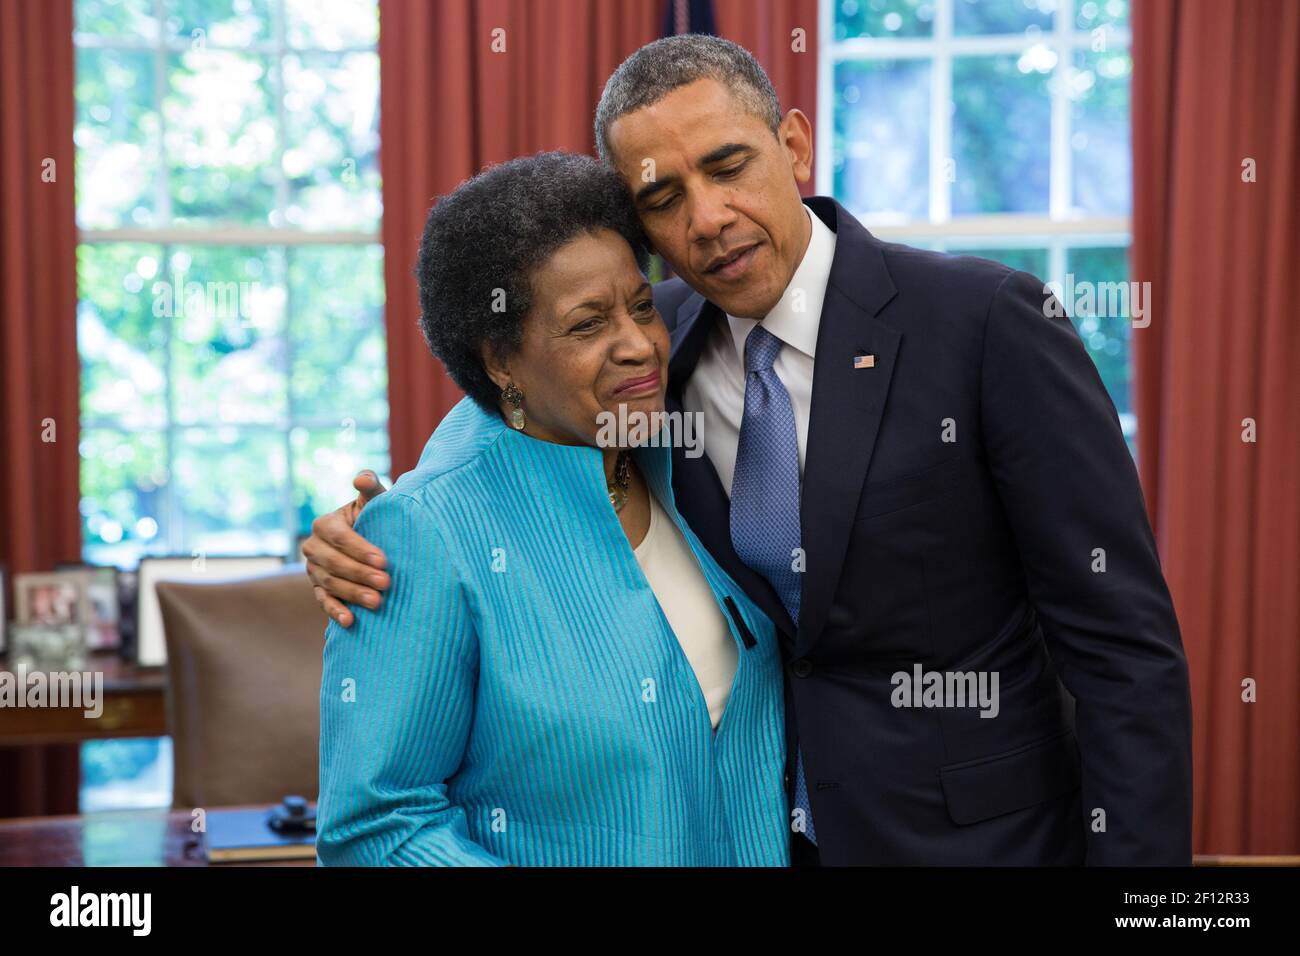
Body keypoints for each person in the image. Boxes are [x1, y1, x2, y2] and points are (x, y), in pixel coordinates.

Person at [307, 36, 1193, 866]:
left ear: (794, 146)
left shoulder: (987, 323)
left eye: (729, 166)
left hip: (978, 843)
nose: (708, 218)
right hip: (766, 839)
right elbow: (518, 408)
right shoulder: (659, 349)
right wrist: (374, 523)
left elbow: (1123, 650)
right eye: (663, 198)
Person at [314, 151, 789, 866]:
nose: (638, 346)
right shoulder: (421, 535)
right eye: (586, 324)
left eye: (639, 306)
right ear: (501, 360)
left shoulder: (680, 456)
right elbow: (374, 828)